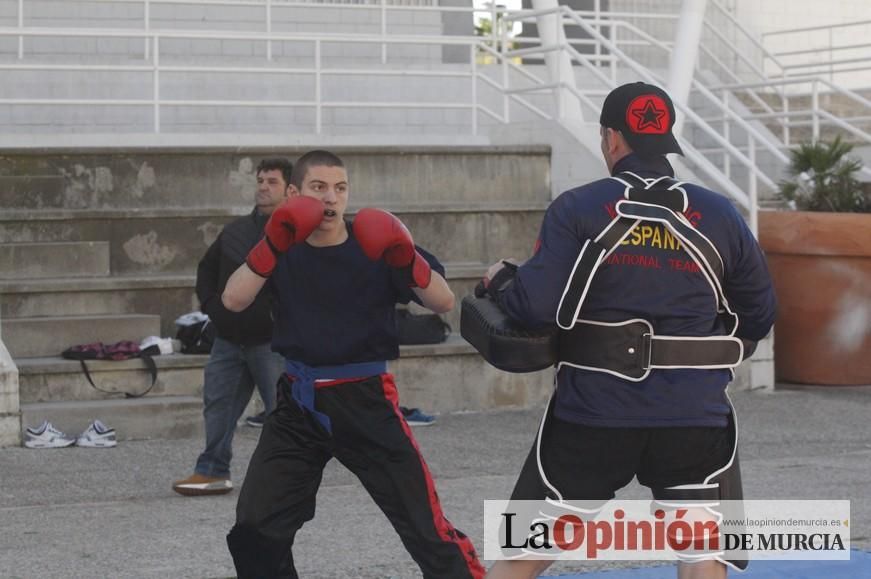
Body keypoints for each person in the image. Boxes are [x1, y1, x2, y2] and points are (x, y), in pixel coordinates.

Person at [482, 82, 777, 578]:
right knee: (701, 548)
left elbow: (536, 309)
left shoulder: (578, 208)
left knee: (526, 549)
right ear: (666, 139)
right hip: (694, 415)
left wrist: (501, 282)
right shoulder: (721, 214)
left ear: (611, 139)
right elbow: (760, 316)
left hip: (595, 413)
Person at [222, 150, 485, 578]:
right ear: (294, 193)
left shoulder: (375, 240)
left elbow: (443, 300)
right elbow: (233, 299)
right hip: (297, 402)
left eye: (340, 188)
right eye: (318, 188)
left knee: (425, 527)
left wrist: (406, 254)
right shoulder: (281, 243)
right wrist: (271, 244)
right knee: (254, 526)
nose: (331, 199)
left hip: (365, 399)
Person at [172, 158, 291, 497]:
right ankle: (211, 470)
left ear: (290, 190)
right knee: (218, 405)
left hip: (272, 344)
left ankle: (285, 477)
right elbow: (206, 272)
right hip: (228, 340)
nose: (263, 187)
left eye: (272, 182)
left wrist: (277, 319)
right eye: (261, 180)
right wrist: (214, 310)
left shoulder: (299, 236)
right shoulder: (236, 231)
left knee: (282, 413)